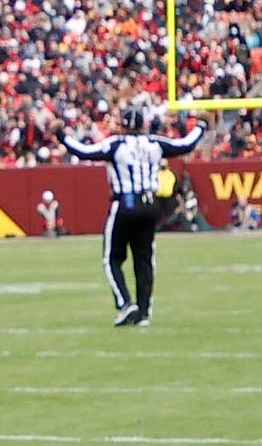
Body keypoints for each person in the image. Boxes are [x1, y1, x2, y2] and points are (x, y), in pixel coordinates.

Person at [66, 103, 204, 327]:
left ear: (122, 125)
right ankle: (143, 313)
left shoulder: (116, 144)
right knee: (144, 260)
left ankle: (125, 303)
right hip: (150, 205)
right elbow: (185, 145)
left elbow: (83, 152)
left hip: (124, 203)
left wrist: (61, 136)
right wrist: (201, 126)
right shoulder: (154, 143)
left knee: (111, 259)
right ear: (144, 124)